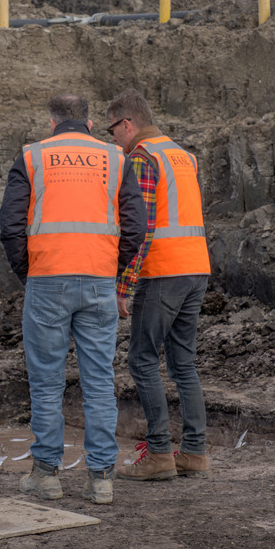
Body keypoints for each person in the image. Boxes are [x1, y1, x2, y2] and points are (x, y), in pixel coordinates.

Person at [0, 93, 145, 505]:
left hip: (48, 280)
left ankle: (46, 474)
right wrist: (109, 268)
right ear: (90, 123)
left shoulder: (31, 157)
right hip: (98, 281)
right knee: (99, 382)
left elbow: (10, 226)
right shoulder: (115, 158)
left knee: (46, 383)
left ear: (51, 123)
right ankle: (101, 479)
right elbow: (135, 225)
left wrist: (29, 273)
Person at [105, 88, 213, 481]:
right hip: (196, 268)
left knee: (142, 360)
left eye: (112, 129)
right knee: (183, 362)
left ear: (127, 124)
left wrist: (123, 285)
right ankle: (195, 453)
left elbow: (142, 227)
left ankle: (159, 454)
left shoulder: (142, 158)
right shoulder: (183, 155)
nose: (112, 137)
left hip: (162, 272)